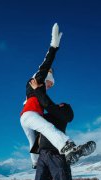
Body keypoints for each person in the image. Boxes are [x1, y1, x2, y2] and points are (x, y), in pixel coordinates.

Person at [20, 23, 95, 168]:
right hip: (29, 114)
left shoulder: (37, 89)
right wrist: (54, 46)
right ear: (46, 78)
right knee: (47, 128)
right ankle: (67, 146)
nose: (50, 86)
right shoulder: (37, 80)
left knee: (33, 140)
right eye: (50, 83)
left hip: (26, 117)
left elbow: (46, 102)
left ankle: (35, 163)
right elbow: (46, 64)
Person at [29, 102, 87, 180]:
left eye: (60, 105)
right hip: (42, 155)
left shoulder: (63, 114)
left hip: (57, 154)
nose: (57, 105)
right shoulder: (44, 118)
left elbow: (63, 112)